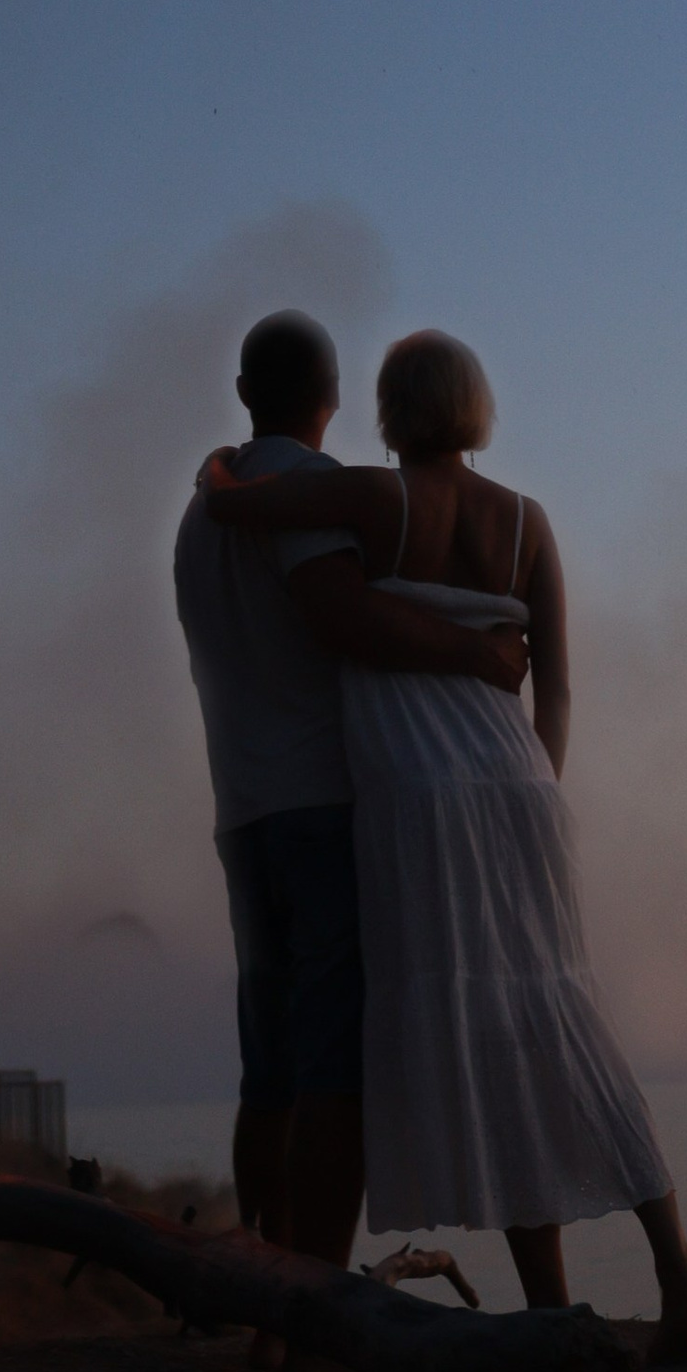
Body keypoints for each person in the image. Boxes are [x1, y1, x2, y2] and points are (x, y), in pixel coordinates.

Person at [201, 328, 687, 1364]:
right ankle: (673, 1271)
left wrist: (217, 464)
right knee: (551, 1017)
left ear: (389, 408)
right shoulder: (527, 522)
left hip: (414, 793)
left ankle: (541, 1304)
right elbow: (557, 683)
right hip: (518, 782)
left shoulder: (372, 502)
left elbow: (238, 503)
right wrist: (540, 793)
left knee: (476, 1027)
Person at [173, 309, 534, 1276]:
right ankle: (311, 1302)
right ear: (335, 399)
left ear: (247, 392)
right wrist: (480, 655)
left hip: (242, 813)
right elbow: (343, 614)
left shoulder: (204, 504)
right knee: (334, 1071)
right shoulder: (314, 489)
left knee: (272, 1073)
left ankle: (264, 1301)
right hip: (321, 809)